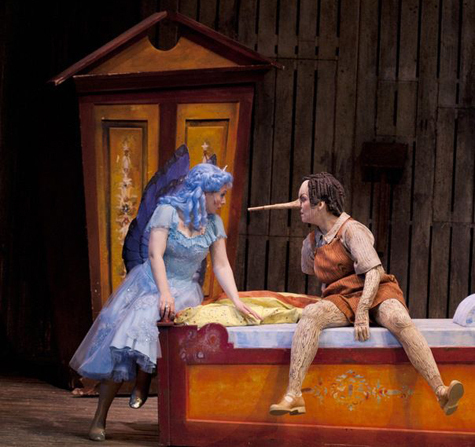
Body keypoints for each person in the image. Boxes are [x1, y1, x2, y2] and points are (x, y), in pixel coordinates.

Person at [70, 163, 261, 441]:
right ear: (203, 192)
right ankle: (100, 418)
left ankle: (145, 383)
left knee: (176, 341)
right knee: (127, 338)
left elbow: (221, 265)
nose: (222, 200)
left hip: (186, 290)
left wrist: (236, 299)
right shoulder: (167, 211)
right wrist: (164, 292)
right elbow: (155, 255)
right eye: (219, 194)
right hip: (153, 282)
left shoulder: (213, 223)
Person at [267, 172, 464, 417]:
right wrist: (310, 248)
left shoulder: (351, 230)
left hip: (375, 288)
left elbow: (374, 271)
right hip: (341, 296)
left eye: (303, 199)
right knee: (311, 315)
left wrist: (362, 310)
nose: (298, 205)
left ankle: (441, 391)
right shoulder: (312, 242)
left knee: (399, 319)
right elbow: (308, 269)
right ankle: (294, 394)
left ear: (321, 204)